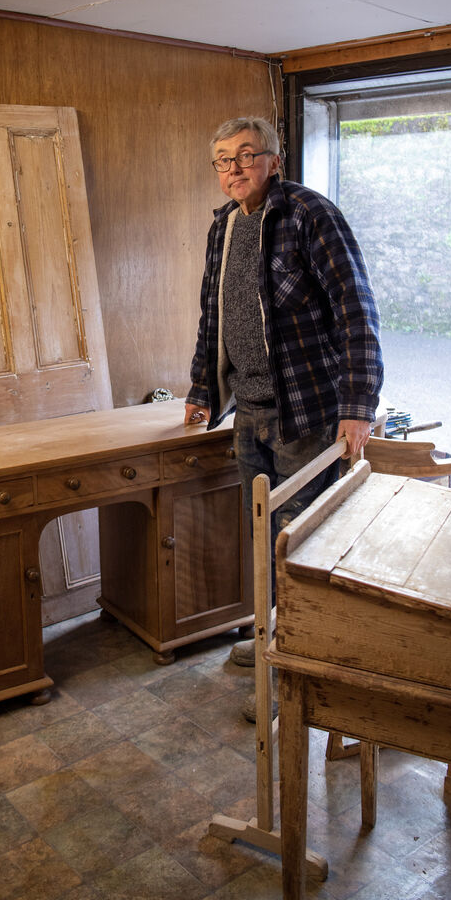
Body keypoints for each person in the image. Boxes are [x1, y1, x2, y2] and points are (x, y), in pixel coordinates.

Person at [184, 116, 383, 714]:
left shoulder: (308, 214)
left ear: (275, 159)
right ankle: (274, 635)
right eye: (222, 160)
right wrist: (200, 388)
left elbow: (356, 307)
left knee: (300, 543)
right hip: (250, 413)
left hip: (309, 412)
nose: (234, 169)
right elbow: (213, 318)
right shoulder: (224, 227)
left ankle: (290, 677)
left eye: (246, 155)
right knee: (265, 535)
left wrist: (357, 406)